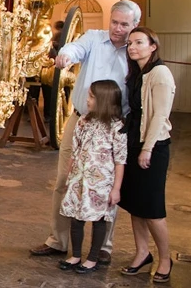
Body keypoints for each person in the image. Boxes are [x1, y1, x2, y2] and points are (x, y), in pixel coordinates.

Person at [29, 0, 140, 264]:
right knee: (63, 182)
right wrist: (66, 55)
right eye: (114, 22)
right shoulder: (94, 38)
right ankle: (58, 241)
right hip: (81, 122)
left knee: (109, 188)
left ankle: (103, 247)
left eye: (124, 24)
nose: (117, 28)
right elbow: (75, 47)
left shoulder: (135, 50)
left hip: (114, 127)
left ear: (134, 25)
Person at [119, 27, 175, 283]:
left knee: (152, 209)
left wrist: (147, 148)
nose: (132, 47)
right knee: (135, 205)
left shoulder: (160, 73)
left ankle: (165, 258)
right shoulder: (138, 73)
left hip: (152, 146)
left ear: (153, 46)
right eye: (130, 43)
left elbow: (160, 116)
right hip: (133, 143)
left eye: (139, 42)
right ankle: (142, 252)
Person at [58, 80, 126, 274]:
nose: (87, 100)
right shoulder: (84, 121)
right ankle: (76, 255)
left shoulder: (117, 127)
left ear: (103, 100)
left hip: (101, 184)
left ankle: (93, 258)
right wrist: (68, 177)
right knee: (76, 219)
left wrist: (116, 188)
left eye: (91, 97)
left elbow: (120, 160)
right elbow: (75, 151)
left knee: (98, 221)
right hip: (79, 179)